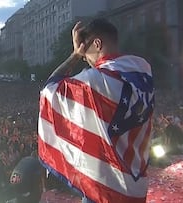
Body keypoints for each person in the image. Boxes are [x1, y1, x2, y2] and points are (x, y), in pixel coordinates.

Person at [38, 18, 154, 203]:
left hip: (106, 189)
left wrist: (74, 55)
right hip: (137, 185)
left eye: (86, 54)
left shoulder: (95, 81)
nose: (86, 59)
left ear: (97, 44)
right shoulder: (143, 70)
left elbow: (50, 89)